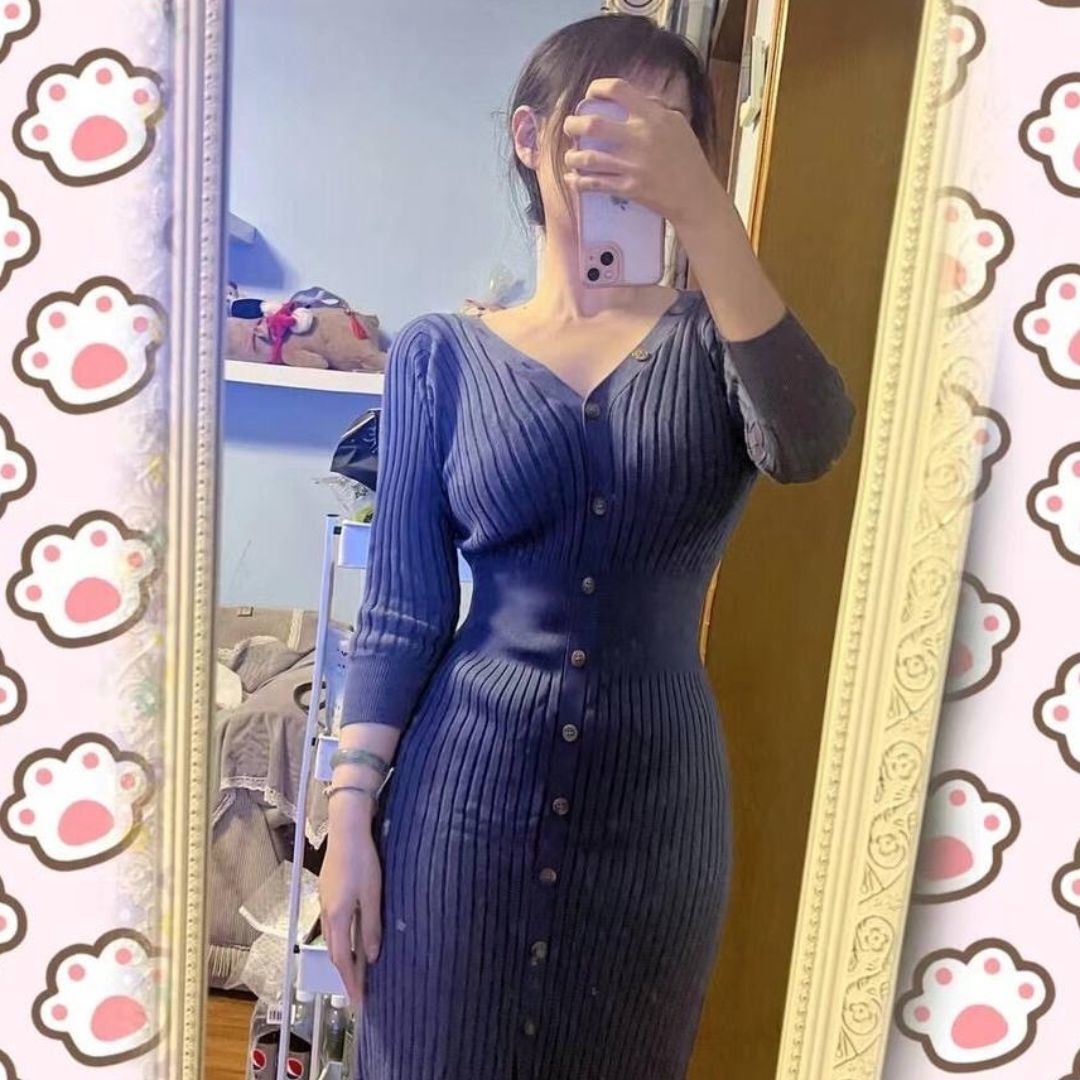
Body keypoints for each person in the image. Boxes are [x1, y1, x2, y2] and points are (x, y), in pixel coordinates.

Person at [319, 13, 855, 1080]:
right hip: (460, 806)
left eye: (669, 126)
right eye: (606, 117)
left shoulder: (717, 343)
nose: (635, 147)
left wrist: (707, 215)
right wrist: (347, 822)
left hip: (656, 816)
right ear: (532, 137)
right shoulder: (440, 356)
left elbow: (808, 442)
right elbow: (402, 613)